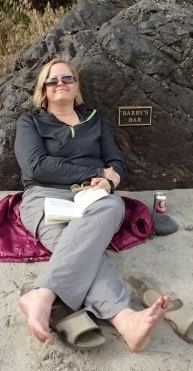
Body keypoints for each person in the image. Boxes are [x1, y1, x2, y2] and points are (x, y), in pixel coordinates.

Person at [15, 58, 169, 352]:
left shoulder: (94, 119)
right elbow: (36, 166)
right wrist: (97, 173)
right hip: (46, 196)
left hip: (94, 199)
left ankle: (43, 293)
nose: (61, 83)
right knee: (74, 246)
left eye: (67, 78)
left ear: (76, 85)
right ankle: (125, 319)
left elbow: (116, 162)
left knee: (111, 208)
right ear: (44, 89)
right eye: (53, 80)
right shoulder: (30, 122)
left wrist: (110, 182)